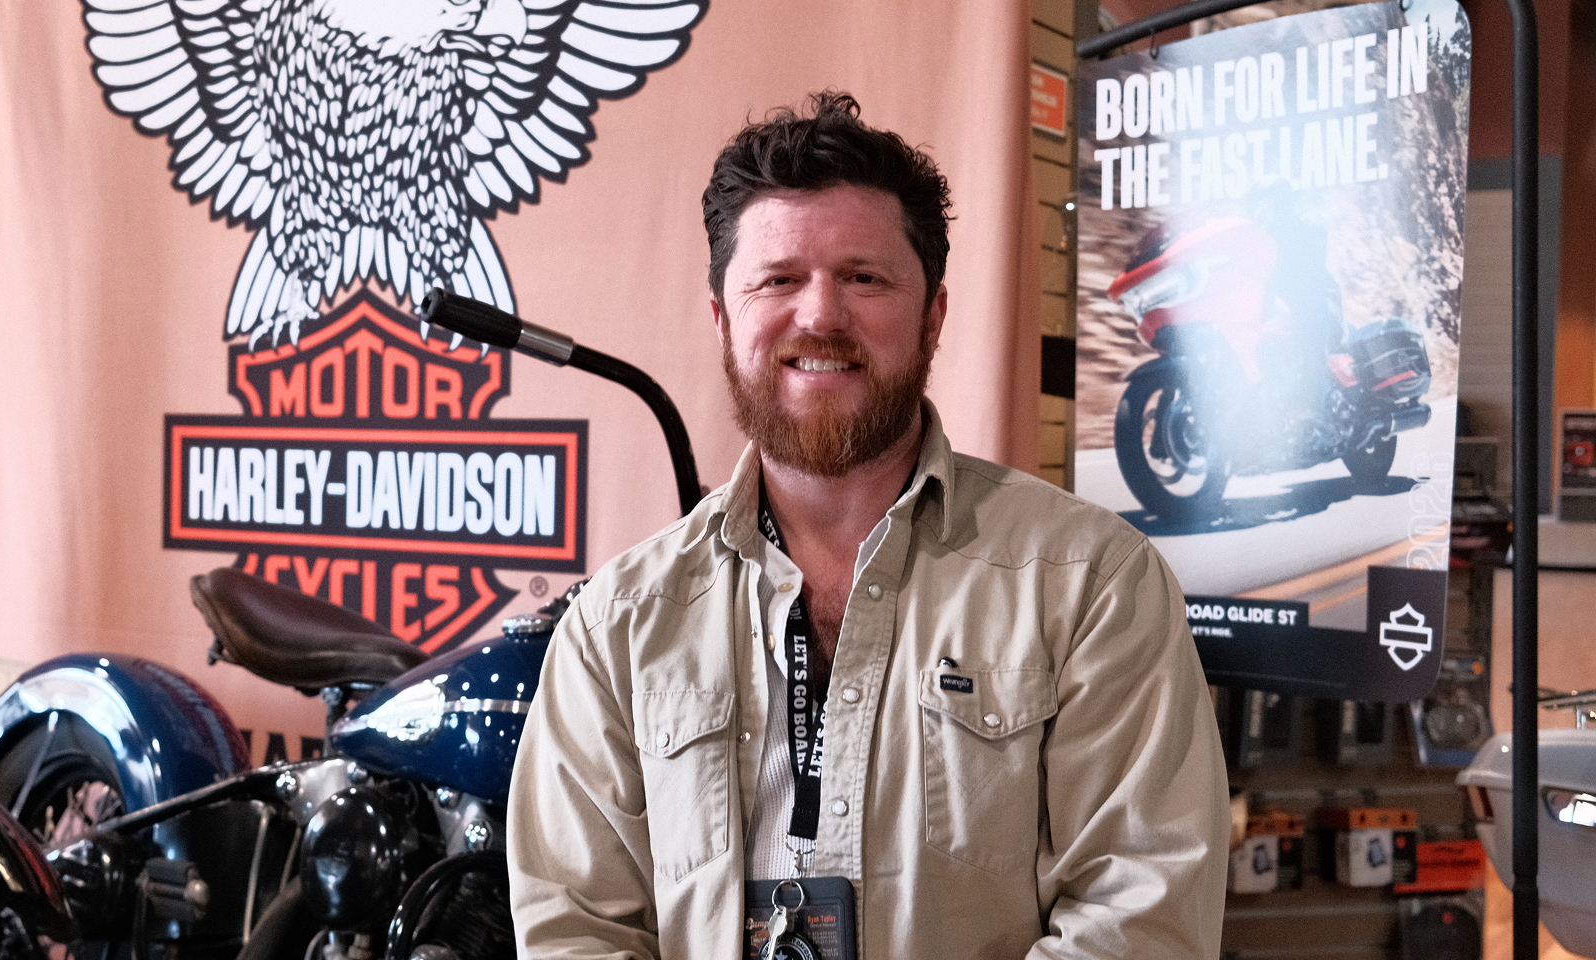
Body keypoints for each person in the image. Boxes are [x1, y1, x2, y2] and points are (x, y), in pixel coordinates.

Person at [506, 91, 1228, 960]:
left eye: (864, 278)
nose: (819, 316)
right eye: (778, 279)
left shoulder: (1091, 585)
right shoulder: (618, 624)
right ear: (722, 318)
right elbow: (576, 930)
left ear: (933, 316)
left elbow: (1140, 916)